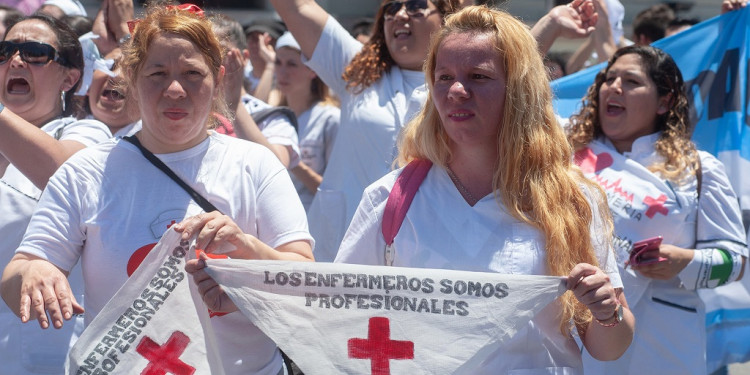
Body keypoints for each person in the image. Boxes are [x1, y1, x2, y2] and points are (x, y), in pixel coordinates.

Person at [1, 5, 314, 375]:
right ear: (131, 77)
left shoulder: (256, 165)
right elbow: (16, 274)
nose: (175, 89)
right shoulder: (86, 171)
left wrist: (251, 254)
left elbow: (305, 280)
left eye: (193, 74)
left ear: (219, 78)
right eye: (158, 73)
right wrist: (35, 273)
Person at [334, 6, 634, 373]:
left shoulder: (569, 199)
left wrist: (606, 311)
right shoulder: (389, 199)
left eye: (478, 76)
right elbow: (343, 321)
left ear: (519, 90)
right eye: (444, 77)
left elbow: (609, 349)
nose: (457, 91)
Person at [270, 0, 599, 261]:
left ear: (446, 16)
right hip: (345, 251)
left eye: (415, 5)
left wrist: (552, 24)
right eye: (390, 8)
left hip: (428, 256)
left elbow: (512, 65)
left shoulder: (464, 85)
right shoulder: (357, 71)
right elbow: (297, 7)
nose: (400, 14)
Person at [566, 45, 748, 375]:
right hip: (568, 331)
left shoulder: (697, 169)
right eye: (609, 78)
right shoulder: (566, 148)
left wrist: (683, 261)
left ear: (664, 102)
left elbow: (735, 261)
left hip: (659, 344)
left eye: (631, 81)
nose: (614, 87)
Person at [0, 14, 111, 375]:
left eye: (34, 53)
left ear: (70, 77)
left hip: (51, 345)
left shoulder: (88, 134)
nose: (15, 61)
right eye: (5, 51)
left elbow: (65, 174)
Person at [274, 32, 340, 211]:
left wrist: (294, 162)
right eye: (278, 62)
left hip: (314, 225)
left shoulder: (330, 118)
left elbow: (336, 191)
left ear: (313, 70)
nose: (282, 71)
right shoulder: (273, 117)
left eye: (292, 64)